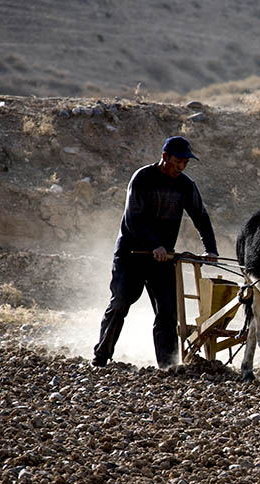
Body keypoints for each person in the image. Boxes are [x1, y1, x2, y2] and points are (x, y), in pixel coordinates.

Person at [91, 136, 219, 369]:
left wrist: (211, 249)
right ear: (164, 157)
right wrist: (154, 245)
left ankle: (167, 365)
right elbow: (134, 219)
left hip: (163, 259)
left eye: (185, 163)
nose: (181, 166)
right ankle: (101, 357)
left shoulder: (185, 186)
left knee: (168, 312)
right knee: (120, 303)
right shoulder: (142, 178)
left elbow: (201, 217)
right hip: (131, 255)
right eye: (178, 161)